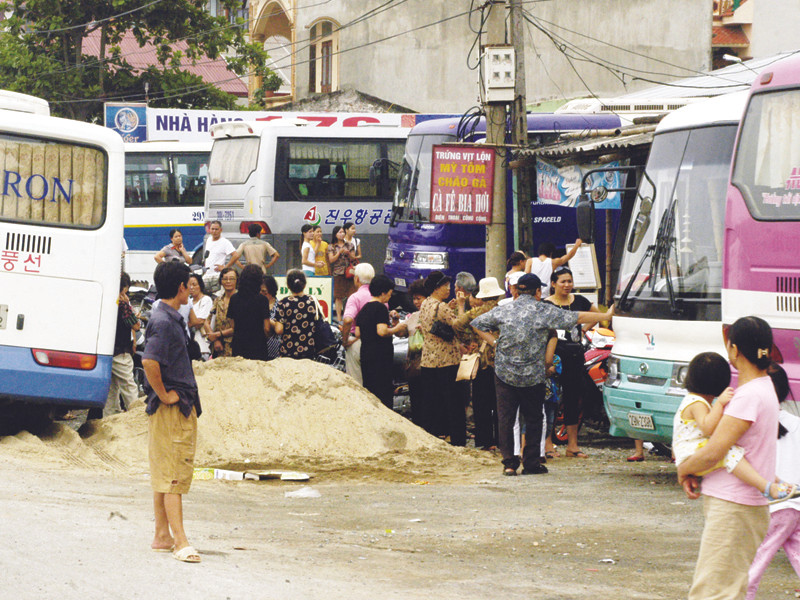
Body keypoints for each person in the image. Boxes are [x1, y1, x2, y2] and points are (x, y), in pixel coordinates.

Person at [677, 316, 782, 599]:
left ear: (734, 350)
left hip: (734, 506)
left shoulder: (748, 396)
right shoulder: (765, 388)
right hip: (743, 504)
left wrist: (684, 469)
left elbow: (714, 451)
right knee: (728, 589)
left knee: (712, 592)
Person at [471, 273, 612, 476]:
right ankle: (531, 464)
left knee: (506, 419)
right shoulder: (545, 311)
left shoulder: (504, 309)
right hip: (533, 375)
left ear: (518, 291)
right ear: (538, 292)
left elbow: (476, 323)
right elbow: (578, 317)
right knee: (534, 418)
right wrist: (605, 317)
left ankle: (509, 464)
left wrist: (495, 343)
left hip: (505, 373)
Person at [141, 261, 202, 563]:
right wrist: (164, 394)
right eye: (189, 284)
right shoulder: (165, 321)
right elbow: (149, 361)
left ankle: (162, 534)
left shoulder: (166, 316)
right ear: (181, 287)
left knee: (165, 473)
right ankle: (180, 540)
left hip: (172, 406)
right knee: (174, 476)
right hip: (171, 408)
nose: (191, 288)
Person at [674, 351, 795, 500]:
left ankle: (776, 483)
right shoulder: (697, 403)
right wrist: (720, 404)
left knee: (738, 454)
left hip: (691, 452)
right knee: (730, 452)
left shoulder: (695, 400)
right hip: (690, 452)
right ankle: (767, 487)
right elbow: (708, 427)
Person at [746, 366, 800, 599]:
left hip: (772, 505)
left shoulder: (752, 424)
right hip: (796, 502)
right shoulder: (796, 422)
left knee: (755, 560)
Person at [543, 267, 608, 458]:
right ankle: (547, 445)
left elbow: (597, 316)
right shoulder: (546, 305)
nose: (567, 285)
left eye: (569, 281)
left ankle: (573, 445)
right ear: (553, 284)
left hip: (575, 356)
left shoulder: (580, 301)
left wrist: (583, 331)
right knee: (551, 400)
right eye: (562, 281)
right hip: (554, 356)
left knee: (573, 399)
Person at [453, 276, 504, 450]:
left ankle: (484, 440)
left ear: (482, 296)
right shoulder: (502, 311)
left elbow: (457, 325)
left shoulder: (476, 312)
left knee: (481, 402)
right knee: (500, 403)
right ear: (497, 296)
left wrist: (468, 339)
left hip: (481, 361)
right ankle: (501, 439)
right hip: (500, 361)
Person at [419, 271, 464, 445]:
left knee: (431, 402)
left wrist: (449, 308)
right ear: (437, 288)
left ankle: (431, 436)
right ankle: (458, 439)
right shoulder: (442, 307)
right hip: (447, 360)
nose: (448, 290)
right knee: (454, 402)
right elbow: (459, 326)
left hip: (428, 360)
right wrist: (460, 307)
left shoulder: (425, 304)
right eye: (445, 286)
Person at [356, 275, 406, 409]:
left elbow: (357, 333)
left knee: (370, 391)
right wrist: (397, 328)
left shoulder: (364, 309)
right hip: (380, 358)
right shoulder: (381, 308)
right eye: (389, 294)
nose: (390, 297)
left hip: (366, 354)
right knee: (383, 393)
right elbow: (382, 331)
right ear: (383, 293)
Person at [102, 271, 141, 417]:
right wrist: (127, 306)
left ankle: (110, 417)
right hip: (120, 351)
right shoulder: (122, 306)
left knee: (111, 387)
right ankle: (136, 415)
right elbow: (136, 326)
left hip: (107, 351)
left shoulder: (106, 300)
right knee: (128, 385)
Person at [340, 262, 375, 385]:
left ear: (356, 279)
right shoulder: (380, 297)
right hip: (376, 343)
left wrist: (345, 341)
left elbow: (348, 320)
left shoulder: (355, 297)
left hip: (357, 343)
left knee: (356, 384)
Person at [228, 264, 272, 361]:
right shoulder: (263, 300)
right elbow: (267, 328)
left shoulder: (234, 298)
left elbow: (232, 323)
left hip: (239, 343)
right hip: (258, 344)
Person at [273, 269, 318, 359]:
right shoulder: (313, 301)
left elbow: (279, 330)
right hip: (309, 351)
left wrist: (271, 322)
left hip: (288, 352)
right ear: (304, 285)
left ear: (288, 286)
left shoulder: (283, 303)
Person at [401, 279, 428, 426]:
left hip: (427, 362)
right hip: (413, 364)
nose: (416, 302)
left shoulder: (432, 314)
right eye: (414, 299)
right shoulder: (413, 316)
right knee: (416, 397)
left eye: (419, 298)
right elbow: (402, 331)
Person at [327, 225, 356, 323]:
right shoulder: (331, 246)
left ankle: (349, 316)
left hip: (349, 273)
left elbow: (354, 258)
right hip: (338, 273)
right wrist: (339, 253)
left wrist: (348, 253)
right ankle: (339, 318)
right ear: (335, 234)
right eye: (339, 232)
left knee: (351, 295)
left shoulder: (350, 245)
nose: (342, 234)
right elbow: (331, 260)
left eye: (343, 232)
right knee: (338, 296)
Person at [207, 268, 237, 357]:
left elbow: (238, 327)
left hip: (234, 346)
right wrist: (215, 339)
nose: (228, 281)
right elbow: (207, 321)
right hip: (218, 346)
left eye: (231, 279)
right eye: (225, 279)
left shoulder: (240, 300)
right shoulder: (217, 300)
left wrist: (218, 334)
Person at [187, 273, 212, 361]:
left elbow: (200, 321)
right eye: (189, 285)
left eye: (194, 284)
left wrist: (186, 325)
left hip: (203, 346)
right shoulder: (188, 301)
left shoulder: (206, 300)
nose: (191, 287)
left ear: (200, 285)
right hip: (190, 347)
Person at [260, 275, 282, 361]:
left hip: (276, 348)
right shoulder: (256, 304)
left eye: (264, 292)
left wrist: (266, 319)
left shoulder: (280, 306)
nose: (261, 294)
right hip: (259, 348)